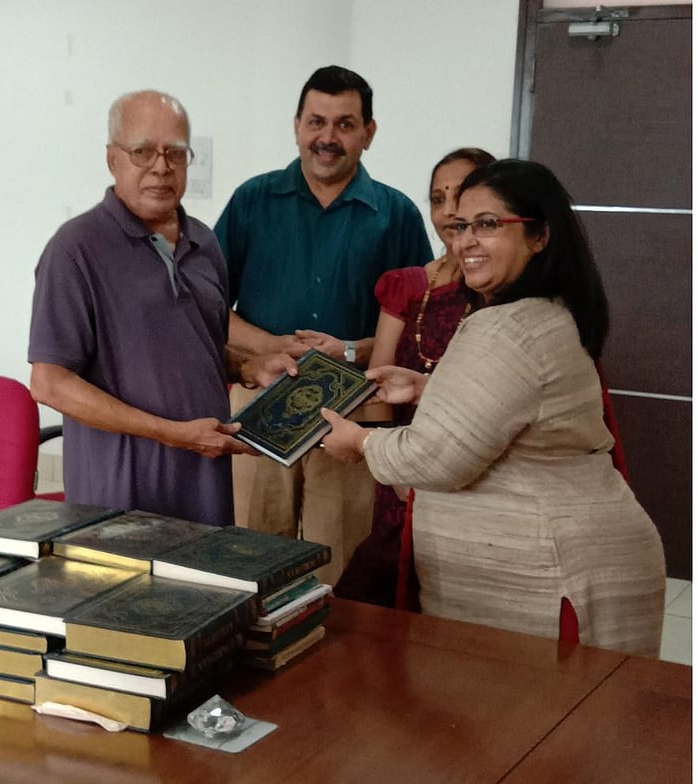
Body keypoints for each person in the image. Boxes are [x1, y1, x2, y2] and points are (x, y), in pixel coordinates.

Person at [321, 159, 665, 656]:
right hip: (566, 560)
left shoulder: (507, 328)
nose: (466, 242)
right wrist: (427, 389)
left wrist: (359, 441)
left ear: (540, 235)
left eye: (488, 225)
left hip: (553, 574)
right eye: (461, 226)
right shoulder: (545, 311)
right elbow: (520, 407)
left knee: (551, 727)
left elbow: (435, 457)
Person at [28, 90, 293, 527]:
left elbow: (190, 343)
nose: (161, 166)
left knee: (209, 589)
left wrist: (249, 369)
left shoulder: (205, 243)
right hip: (118, 492)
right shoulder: (75, 250)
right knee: (124, 594)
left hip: (203, 481)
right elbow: (50, 383)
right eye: (142, 151)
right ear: (113, 159)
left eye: (175, 153)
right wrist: (174, 435)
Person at [214, 65, 433, 586]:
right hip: (259, 404)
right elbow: (207, 306)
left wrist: (351, 351)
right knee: (251, 549)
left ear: (368, 133)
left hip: (353, 410)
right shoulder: (252, 201)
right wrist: (268, 344)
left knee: (339, 558)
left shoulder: (397, 215)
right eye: (316, 122)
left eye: (344, 124)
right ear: (296, 126)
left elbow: (420, 326)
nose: (327, 138)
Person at [334, 147, 496, 606]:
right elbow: (379, 383)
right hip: (401, 468)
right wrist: (391, 470)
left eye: (461, 198)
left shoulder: (501, 289)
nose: (448, 212)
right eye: (437, 198)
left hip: (471, 472)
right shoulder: (407, 284)